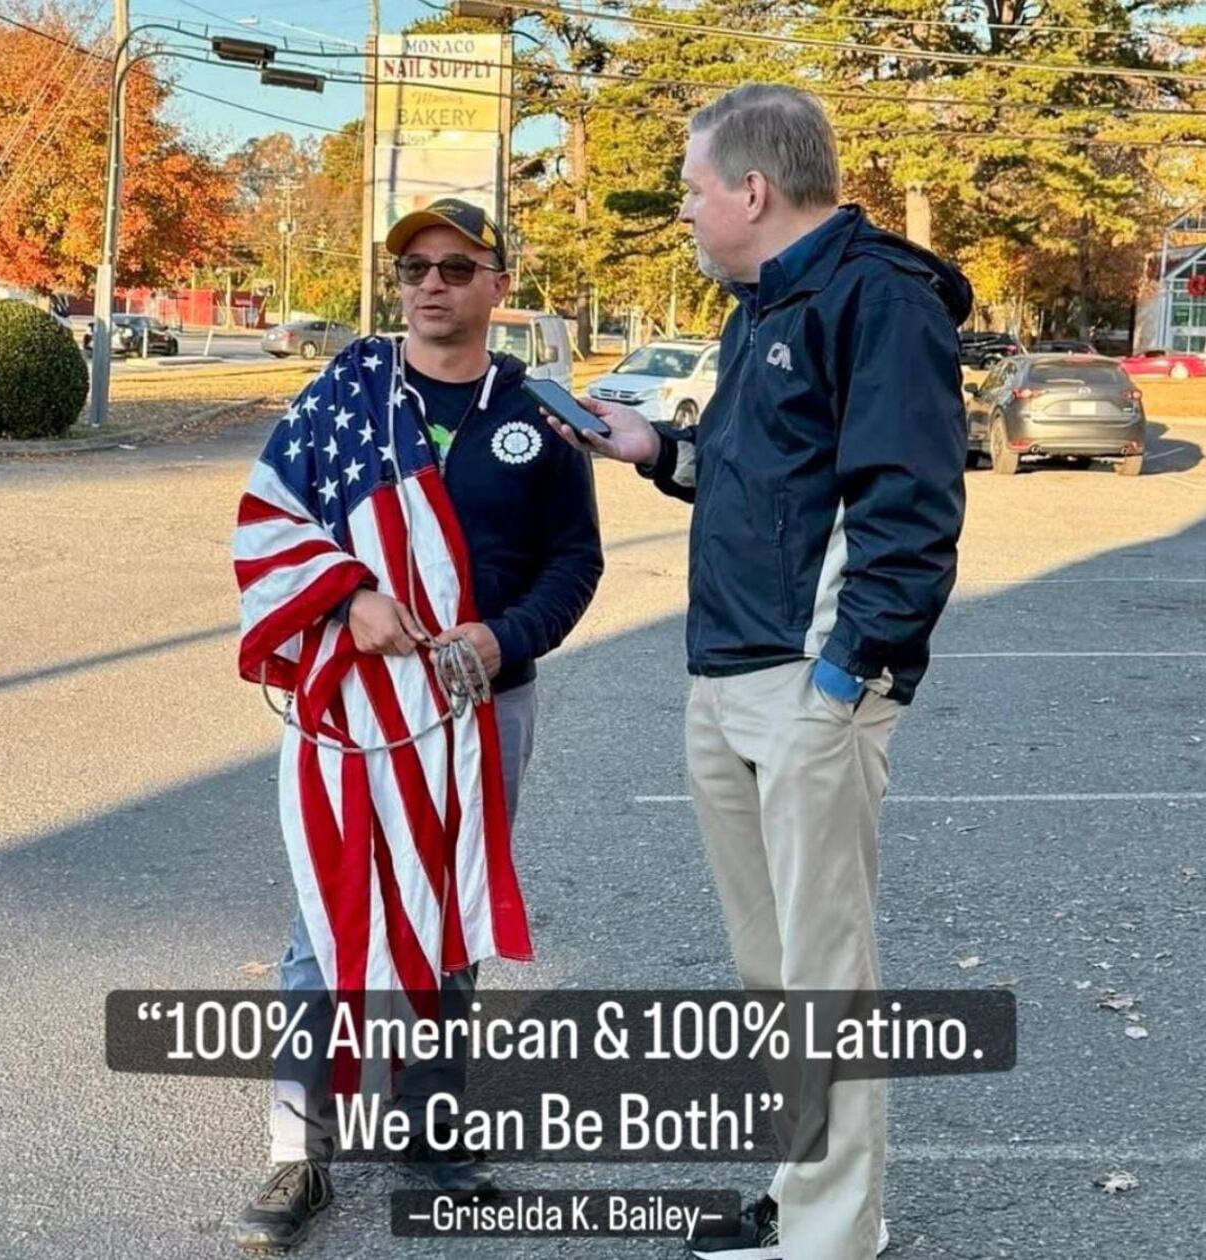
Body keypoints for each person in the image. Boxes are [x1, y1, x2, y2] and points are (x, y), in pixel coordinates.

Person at [547, 85, 971, 1260]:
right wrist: (653, 449)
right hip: (725, 673)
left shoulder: (875, 299)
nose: (683, 210)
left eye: (691, 190)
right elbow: (768, 484)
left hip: (806, 686)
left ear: (750, 189)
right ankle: (802, 1196)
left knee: (822, 969)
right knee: (769, 966)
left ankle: (834, 1236)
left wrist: (843, 682)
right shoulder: (758, 309)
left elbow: (909, 507)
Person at [232, 198, 603, 1252]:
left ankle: (432, 1134)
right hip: (351, 699)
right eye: (411, 271)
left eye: (453, 267)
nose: (428, 285)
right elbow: (268, 524)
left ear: (497, 286)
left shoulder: (535, 416)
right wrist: (346, 597)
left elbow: (574, 563)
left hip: (481, 701)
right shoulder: (341, 400)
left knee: (451, 913)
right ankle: (296, 1150)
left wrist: (500, 639)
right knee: (323, 923)